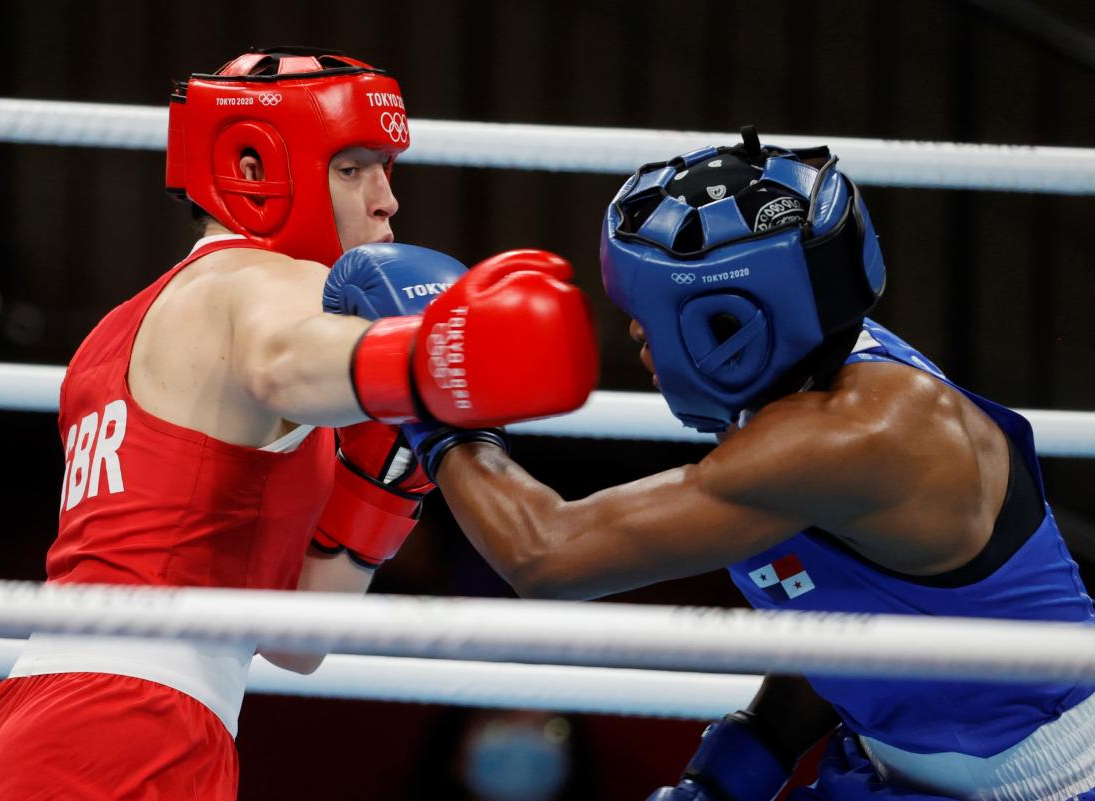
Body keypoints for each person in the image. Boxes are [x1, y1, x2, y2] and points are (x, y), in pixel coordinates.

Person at [0, 47, 597, 801]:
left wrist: (384, 480)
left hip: (55, 719)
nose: (387, 200)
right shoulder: (260, 282)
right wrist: (441, 356)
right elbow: (282, 360)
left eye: (387, 168)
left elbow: (295, 641)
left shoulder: (115, 331)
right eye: (352, 168)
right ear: (254, 168)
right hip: (129, 729)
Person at [393, 127, 1095, 799]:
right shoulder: (811, 374)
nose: (634, 332)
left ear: (730, 320)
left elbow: (547, 553)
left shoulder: (855, 435)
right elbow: (856, 622)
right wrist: (737, 766)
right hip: (890, 767)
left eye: (648, 312)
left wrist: (425, 391)